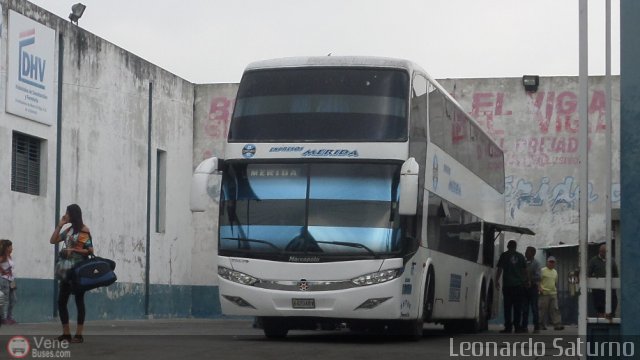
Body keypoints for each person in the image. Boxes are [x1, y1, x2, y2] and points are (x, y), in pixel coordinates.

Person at [49, 204, 93, 343]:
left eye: (67, 213)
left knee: (79, 301)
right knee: (61, 301)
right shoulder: (68, 231)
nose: (65, 215)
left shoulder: (83, 231)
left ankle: (79, 335)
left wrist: (74, 250)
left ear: (73, 214)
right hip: (66, 271)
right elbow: (53, 240)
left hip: (78, 271)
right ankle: (66, 333)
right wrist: (59, 225)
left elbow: (90, 250)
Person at [495, 239, 528, 333]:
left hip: (507, 286)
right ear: (515, 246)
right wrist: (526, 281)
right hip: (518, 286)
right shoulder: (521, 256)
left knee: (507, 308)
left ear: (508, 246)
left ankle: (508, 327)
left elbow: (500, 269)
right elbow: (525, 271)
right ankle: (517, 327)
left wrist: (496, 280)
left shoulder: (504, 255)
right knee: (518, 308)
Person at [587, 244, 619, 318]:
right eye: (603, 252)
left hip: (610, 289)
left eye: (606, 252)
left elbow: (616, 274)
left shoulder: (612, 261)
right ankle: (601, 322)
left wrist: (614, 285)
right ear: (600, 252)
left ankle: (611, 320)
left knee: (612, 305)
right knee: (600, 308)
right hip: (598, 290)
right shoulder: (593, 261)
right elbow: (588, 273)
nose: (605, 254)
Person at [538, 256, 564, 330]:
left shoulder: (555, 272)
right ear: (547, 262)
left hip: (553, 293)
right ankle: (540, 324)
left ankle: (557, 325)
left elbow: (555, 282)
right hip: (544, 293)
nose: (551, 263)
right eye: (550, 262)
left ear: (555, 263)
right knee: (542, 310)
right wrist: (540, 288)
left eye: (553, 262)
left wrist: (555, 291)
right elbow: (538, 280)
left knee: (555, 309)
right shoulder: (542, 270)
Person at [521, 246, 541, 333]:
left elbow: (538, 276)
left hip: (533, 288)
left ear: (533, 253)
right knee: (524, 308)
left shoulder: (536, 263)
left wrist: (530, 279)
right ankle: (524, 327)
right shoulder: (523, 262)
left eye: (527, 251)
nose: (525, 253)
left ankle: (536, 327)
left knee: (534, 308)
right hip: (524, 288)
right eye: (525, 251)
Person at [0, 239, 17, 325]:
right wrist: (2, 270)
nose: (12, 248)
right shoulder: (3, 257)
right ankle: (4, 318)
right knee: (6, 299)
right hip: (4, 280)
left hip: (11, 280)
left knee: (13, 299)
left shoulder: (9, 256)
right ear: (7, 248)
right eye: (10, 247)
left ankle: (10, 317)